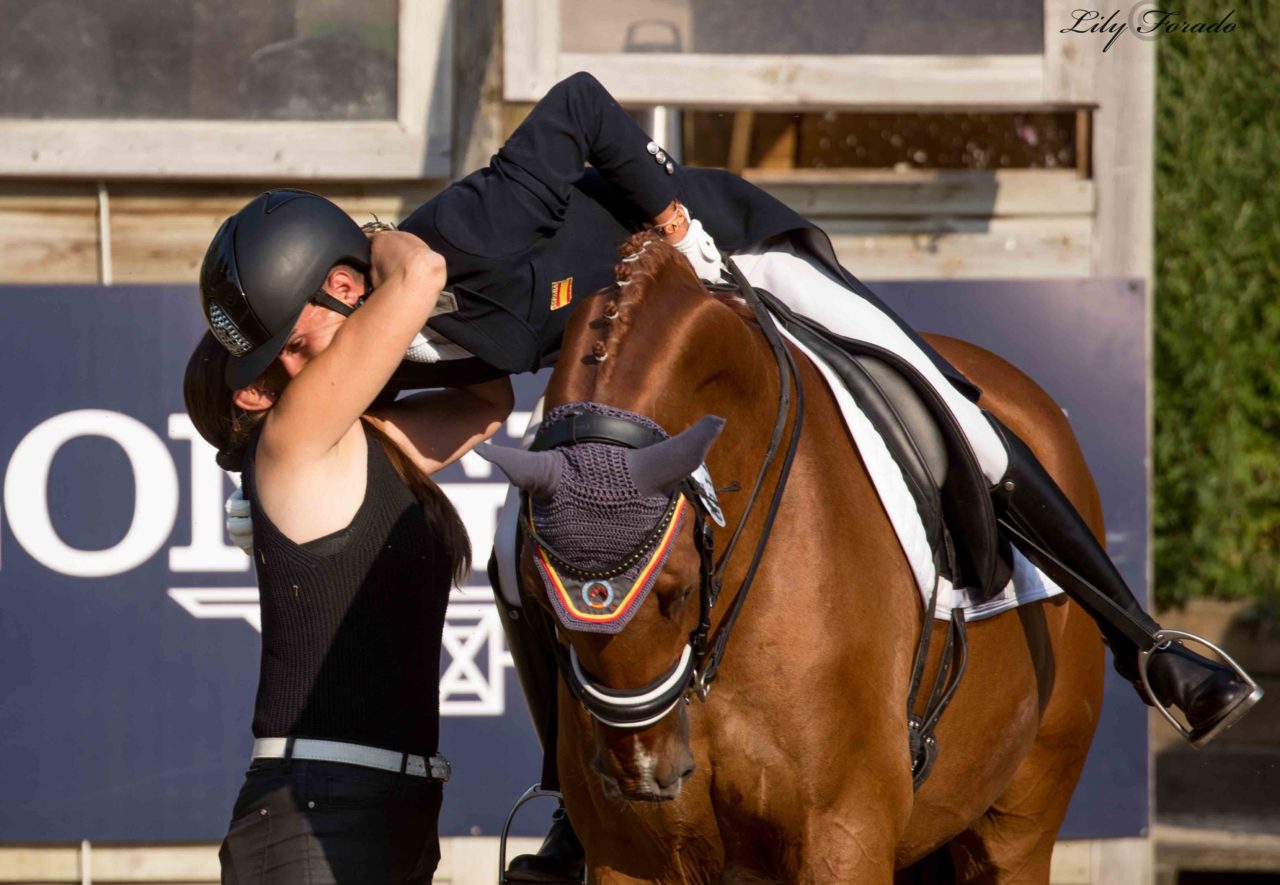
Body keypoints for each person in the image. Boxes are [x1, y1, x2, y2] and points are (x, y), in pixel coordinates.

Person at [197, 72, 1260, 884]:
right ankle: (577, 797)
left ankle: (1145, 642)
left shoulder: (446, 239)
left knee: (941, 399)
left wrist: (669, 223)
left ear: (348, 282)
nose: (302, 378)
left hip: (724, 247)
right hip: (623, 360)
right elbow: (472, 409)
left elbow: (574, 105)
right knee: (532, 557)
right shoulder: (391, 359)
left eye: (294, 350)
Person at [185, 213, 513, 884]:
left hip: (401, 810)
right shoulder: (290, 437)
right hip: (317, 808)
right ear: (254, 390)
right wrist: (366, 243)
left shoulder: (369, 443)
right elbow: (419, 274)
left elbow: (489, 399)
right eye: (292, 340)